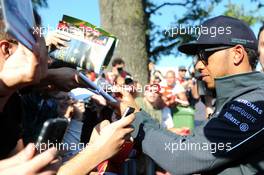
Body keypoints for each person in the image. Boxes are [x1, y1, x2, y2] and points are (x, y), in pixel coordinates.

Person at [128, 16, 264, 175]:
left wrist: (134, 116)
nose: (198, 65)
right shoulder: (233, 98)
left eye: (204, 55)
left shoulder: (256, 101)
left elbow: (182, 156)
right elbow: (190, 145)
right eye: (196, 58)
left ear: (237, 54)